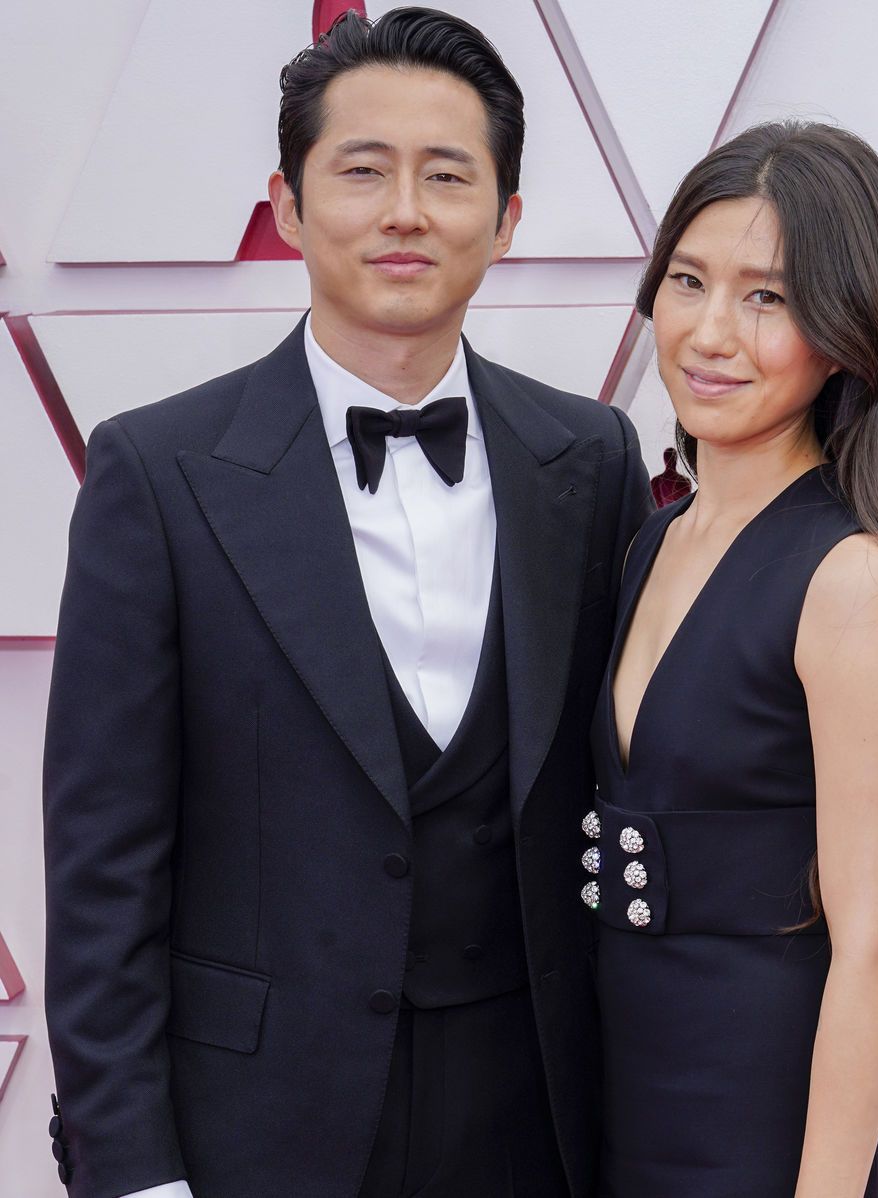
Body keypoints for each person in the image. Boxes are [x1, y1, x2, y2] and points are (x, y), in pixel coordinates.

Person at [42, 9, 652, 1197]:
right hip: (253, 1135)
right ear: (287, 205)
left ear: (507, 218)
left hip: (539, 1123)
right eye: (362, 171)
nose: (405, 211)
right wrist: (131, 1173)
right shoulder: (157, 474)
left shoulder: (591, 458)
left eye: (447, 175)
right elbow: (101, 863)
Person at [583, 120, 878, 1197]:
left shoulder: (851, 578)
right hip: (630, 1113)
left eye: (766, 298)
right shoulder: (654, 538)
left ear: (842, 331)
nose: (710, 333)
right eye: (687, 281)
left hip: (778, 1131)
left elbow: (876, 949)